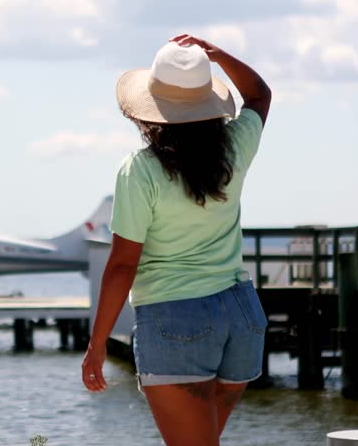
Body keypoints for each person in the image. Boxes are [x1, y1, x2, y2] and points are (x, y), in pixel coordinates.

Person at [81, 34, 272, 446]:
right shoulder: (235, 148)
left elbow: (122, 265)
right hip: (241, 314)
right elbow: (258, 95)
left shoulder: (141, 170)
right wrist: (216, 57)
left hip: (175, 318)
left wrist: (97, 344)